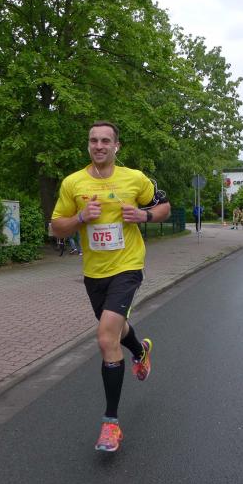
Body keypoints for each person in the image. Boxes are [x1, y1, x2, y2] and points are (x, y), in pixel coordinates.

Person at [51, 121, 171, 452]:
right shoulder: (73, 183)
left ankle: (111, 424)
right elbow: (56, 227)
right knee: (115, 328)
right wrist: (79, 218)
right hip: (94, 272)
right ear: (88, 145)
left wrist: (145, 216)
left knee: (106, 337)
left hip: (127, 267)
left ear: (117, 146)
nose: (99, 145)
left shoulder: (134, 178)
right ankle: (140, 351)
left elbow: (164, 207)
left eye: (106, 141)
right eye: (94, 140)